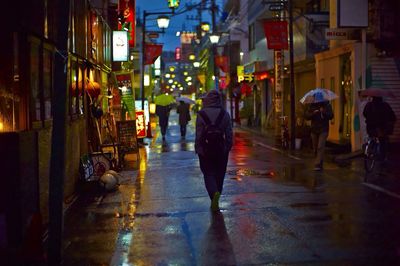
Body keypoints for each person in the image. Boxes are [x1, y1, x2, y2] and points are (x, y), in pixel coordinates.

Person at [195, 90, 233, 211]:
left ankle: (213, 195)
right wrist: (227, 147)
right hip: (221, 149)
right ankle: (217, 194)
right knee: (220, 174)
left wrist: (198, 148)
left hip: (205, 149)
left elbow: (199, 134)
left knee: (208, 173)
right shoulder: (224, 113)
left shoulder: (201, 114)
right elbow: (229, 134)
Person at [304, 92, 334, 171]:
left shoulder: (327, 105)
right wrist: (313, 114)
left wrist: (323, 112)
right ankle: (319, 160)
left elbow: (331, 115)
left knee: (320, 146)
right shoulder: (312, 106)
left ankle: (317, 164)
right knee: (315, 148)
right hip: (314, 129)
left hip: (323, 129)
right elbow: (306, 116)